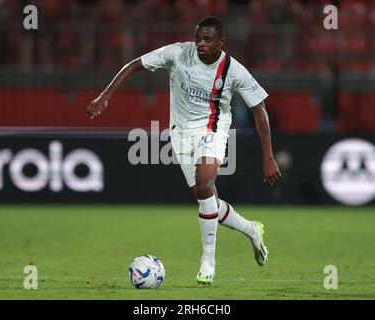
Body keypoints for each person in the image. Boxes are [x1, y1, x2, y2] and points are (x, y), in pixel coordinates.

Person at [87, 16, 281, 285]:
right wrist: (105, 95)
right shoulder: (177, 53)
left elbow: (260, 111)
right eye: (198, 38)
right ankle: (251, 229)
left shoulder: (233, 70)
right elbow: (135, 65)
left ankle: (208, 261)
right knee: (205, 198)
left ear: (221, 42)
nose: (200, 44)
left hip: (212, 131)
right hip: (180, 134)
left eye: (207, 39)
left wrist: (268, 157)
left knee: (204, 185)